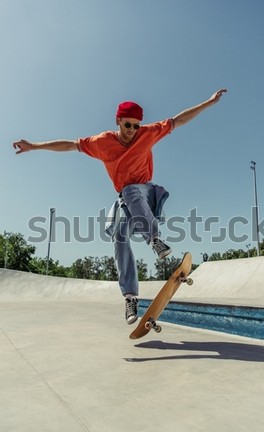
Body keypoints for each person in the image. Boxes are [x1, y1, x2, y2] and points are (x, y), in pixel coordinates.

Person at [13, 89, 227, 325]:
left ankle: (155, 239)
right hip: (125, 201)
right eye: (128, 125)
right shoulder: (102, 142)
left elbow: (179, 120)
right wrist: (33, 146)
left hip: (146, 195)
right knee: (119, 234)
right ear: (118, 121)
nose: (132, 131)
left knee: (131, 189)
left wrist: (208, 102)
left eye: (136, 126)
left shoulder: (148, 133)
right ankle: (130, 296)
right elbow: (69, 145)